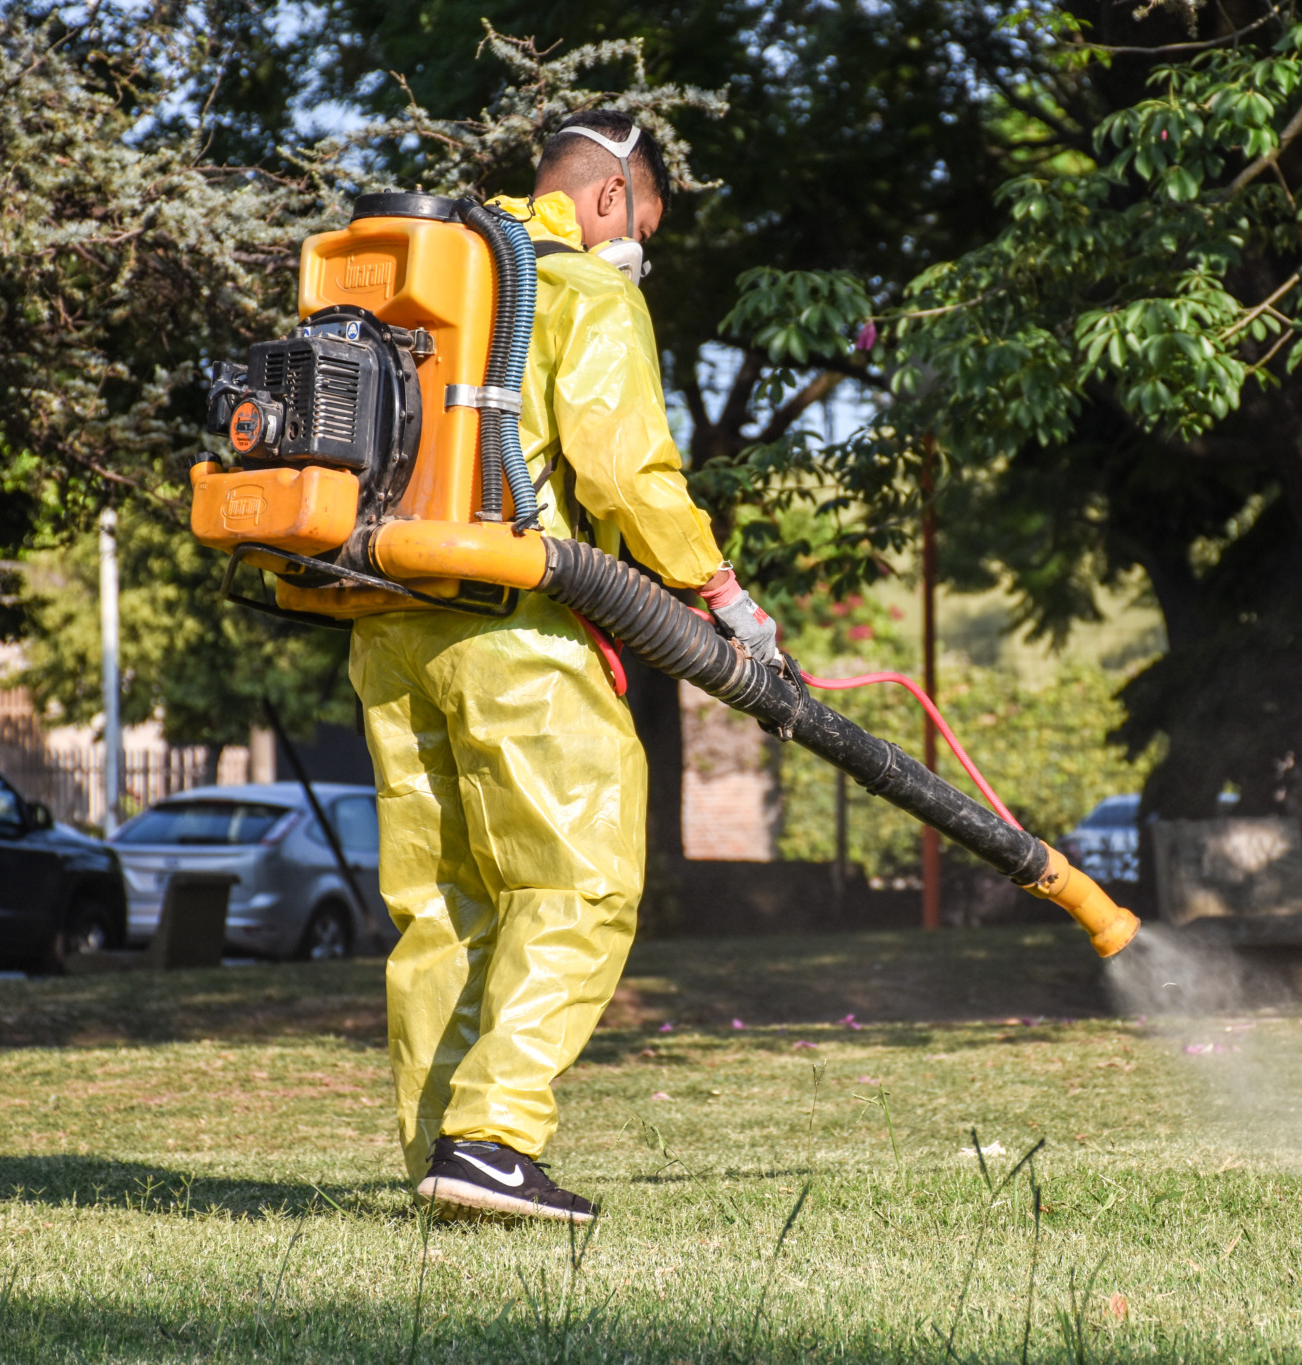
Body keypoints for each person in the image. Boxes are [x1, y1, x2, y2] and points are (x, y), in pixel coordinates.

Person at [349, 111, 781, 1222]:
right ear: (609, 198)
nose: (643, 248)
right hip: (513, 625)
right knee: (582, 881)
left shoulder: (442, 285)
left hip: (388, 625)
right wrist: (721, 594)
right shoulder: (581, 288)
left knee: (441, 909)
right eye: (647, 225)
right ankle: (492, 1139)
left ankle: (443, 1158)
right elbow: (625, 474)